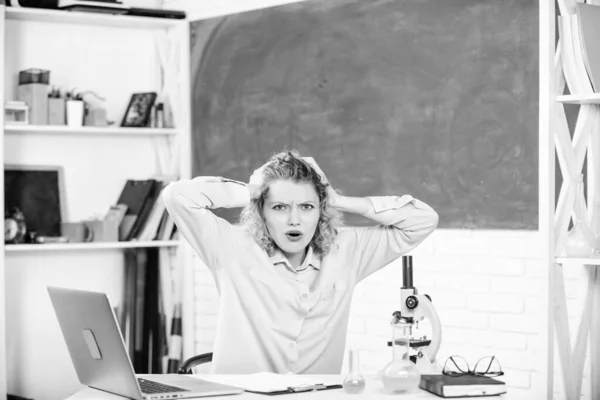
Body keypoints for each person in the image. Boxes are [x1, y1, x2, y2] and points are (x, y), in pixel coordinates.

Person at [162, 150, 438, 374]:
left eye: (306, 206)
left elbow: (423, 220)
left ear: (321, 210)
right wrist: (253, 189)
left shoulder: (346, 251)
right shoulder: (231, 248)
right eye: (279, 207)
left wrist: (338, 199)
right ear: (261, 211)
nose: (294, 220)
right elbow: (177, 196)